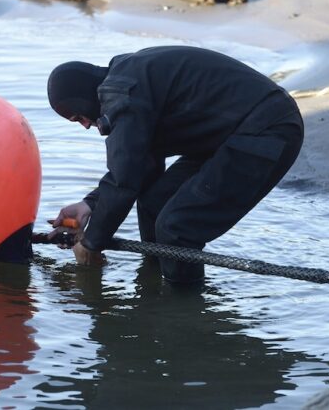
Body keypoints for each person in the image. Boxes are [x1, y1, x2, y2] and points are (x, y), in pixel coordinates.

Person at [46, 46, 304, 283]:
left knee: (177, 227)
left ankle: (183, 312)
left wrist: (91, 243)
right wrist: (90, 204)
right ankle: (154, 284)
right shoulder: (127, 83)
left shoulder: (120, 95)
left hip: (268, 129)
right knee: (154, 203)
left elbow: (124, 179)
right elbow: (137, 165)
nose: (87, 125)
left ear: (83, 97)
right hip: (228, 135)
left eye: (79, 116)